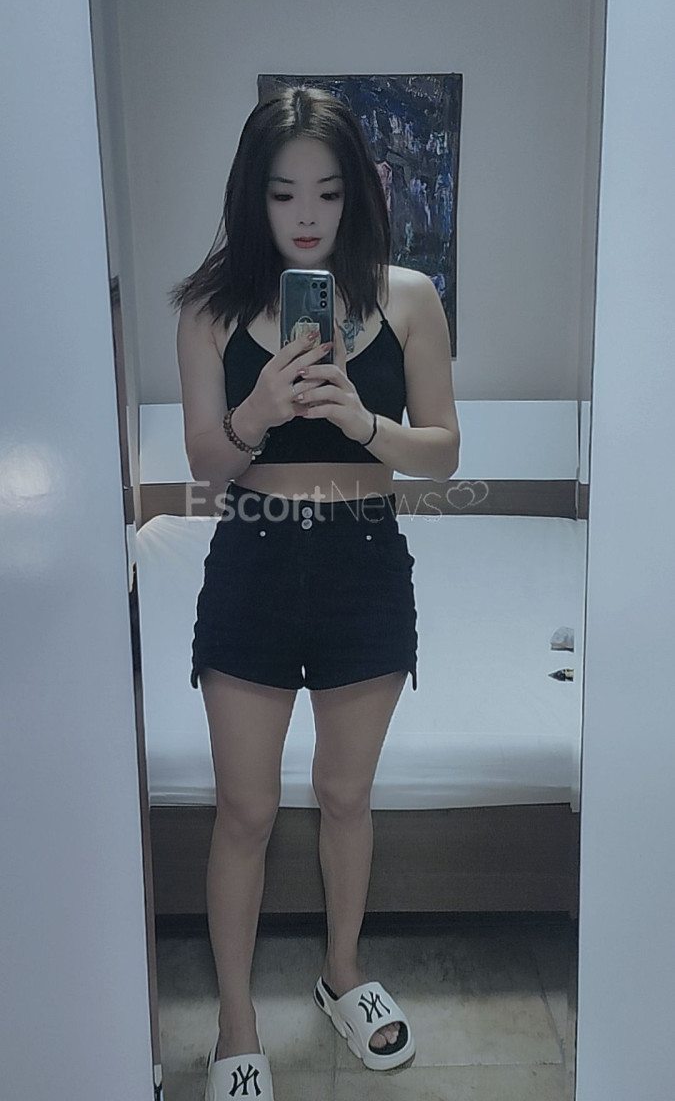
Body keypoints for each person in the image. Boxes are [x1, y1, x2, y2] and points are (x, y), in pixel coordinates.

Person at [172, 86, 459, 1100]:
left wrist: (360, 423)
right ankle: (237, 1021)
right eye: (283, 192)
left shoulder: (407, 298)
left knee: (344, 796)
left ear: (357, 198)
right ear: (252, 196)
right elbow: (206, 468)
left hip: (363, 561)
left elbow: (443, 452)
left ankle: (342, 973)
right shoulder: (209, 308)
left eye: (328, 193)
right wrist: (256, 410)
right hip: (251, 563)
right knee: (245, 810)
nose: (305, 215)